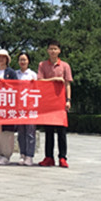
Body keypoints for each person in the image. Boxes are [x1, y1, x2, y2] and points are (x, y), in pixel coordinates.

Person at [37, 40, 73, 168]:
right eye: (51, 49)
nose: (53, 51)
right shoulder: (42, 65)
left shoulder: (65, 66)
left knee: (62, 132)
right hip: (48, 102)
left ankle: (62, 157)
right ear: (47, 50)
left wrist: (68, 100)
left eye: (55, 49)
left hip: (60, 102)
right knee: (49, 131)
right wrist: (54, 79)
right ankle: (49, 157)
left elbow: (67, 84)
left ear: (59, 51)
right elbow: (40, 81)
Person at [0, 48, 18, 165]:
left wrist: (5, 84)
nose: (1, 59)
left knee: (6, 131)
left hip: (7, 105)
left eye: (3, 57)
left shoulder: (11, 73)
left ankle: (6, 154)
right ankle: (0, 153)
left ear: (7, 59)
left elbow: (16, 87)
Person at [15, 51, 37, 166]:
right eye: (21, 60)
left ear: (28, 61)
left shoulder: (33, 75)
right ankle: (22, 154)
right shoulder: (15, 74)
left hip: (30, 107)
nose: (22, 62)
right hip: (19, 107)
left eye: (24, 59)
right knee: (21, 132)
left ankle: (29, 155)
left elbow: (39, 89)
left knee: (30, 132)